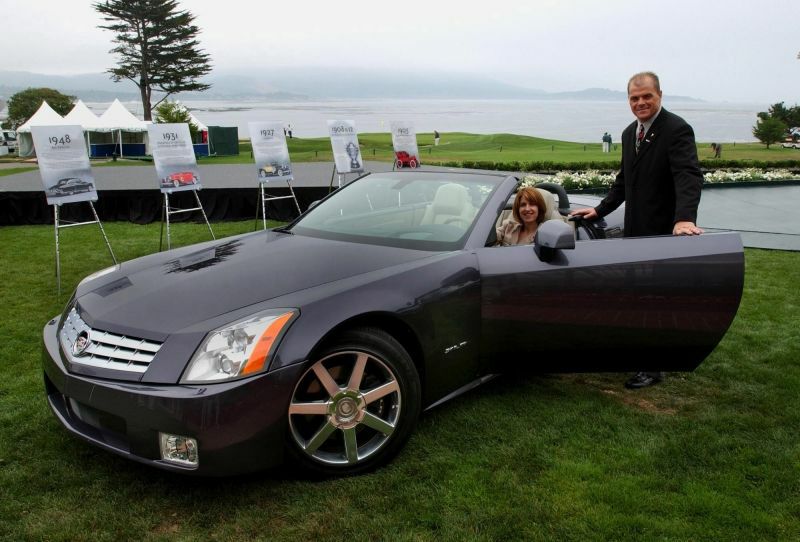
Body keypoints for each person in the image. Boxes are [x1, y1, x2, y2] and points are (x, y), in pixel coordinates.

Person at [570, 71, 704, 389]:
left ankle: (652, 367)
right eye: (634, 98)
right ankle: (636, 352)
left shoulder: (676, 129)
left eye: (647, 96)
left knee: (654, 298)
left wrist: (684, 218)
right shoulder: (631, 132)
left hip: (662, 233)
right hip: (634, 231)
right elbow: (624, 180)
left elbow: (688, 175)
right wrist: (600, 210)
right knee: (635, 296)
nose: (640, 102)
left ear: (660, 95)